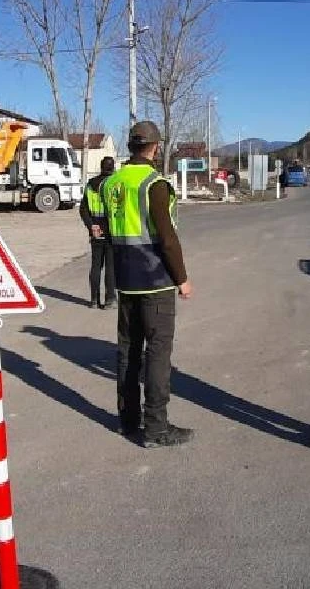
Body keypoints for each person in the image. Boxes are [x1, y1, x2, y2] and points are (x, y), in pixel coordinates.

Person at [101, 120, 194, 448]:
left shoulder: (112, 183)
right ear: (155, 147)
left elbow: (105, 226)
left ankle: (127, 421)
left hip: (125, 281)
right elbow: (167, 238)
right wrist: (181, 279)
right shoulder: (154, 183)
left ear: (130, 146)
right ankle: (156, 427)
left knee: (128, 352)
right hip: (154, 280)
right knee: (157, 353)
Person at [81, 156, 117, 309]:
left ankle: (94, 300)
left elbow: (83, 209)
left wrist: (91, 226)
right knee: (111, 267)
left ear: (101, 167)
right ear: (113, 168)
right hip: (111, 230)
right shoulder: (115, 183)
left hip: (95, 228)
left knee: (96, 266)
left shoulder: (90, 185)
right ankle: (110, 300)